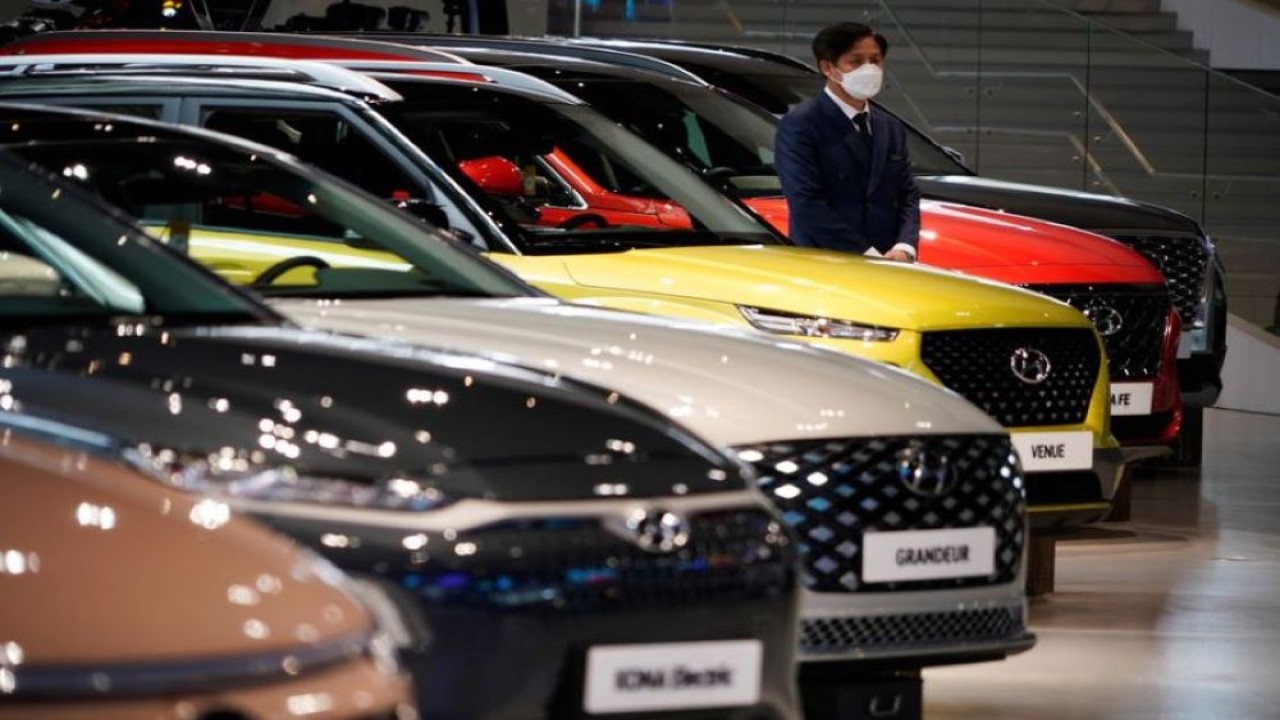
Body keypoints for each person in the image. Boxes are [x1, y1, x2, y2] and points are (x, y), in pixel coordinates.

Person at [775, 22, 921, 262]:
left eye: (875, 60)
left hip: (890, 262)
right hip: (826, 262)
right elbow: (806, 203)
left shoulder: (890, 126)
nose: (869, 69)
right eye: (855, 61)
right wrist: (866, 255)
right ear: (828, 68)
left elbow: (907, 194)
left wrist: (905, 246)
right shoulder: (801, 125)